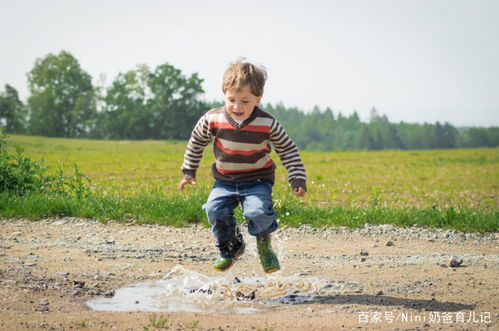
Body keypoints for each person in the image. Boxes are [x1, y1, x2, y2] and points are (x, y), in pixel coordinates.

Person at [178, 59, 307, 273]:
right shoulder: (213, 118)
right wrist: (188, 171)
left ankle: (264, 246)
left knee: (257, 212)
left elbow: (288, 150)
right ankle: (231, 248)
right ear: (224, 93)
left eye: (245, 101)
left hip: (257, 181)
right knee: (214, 209)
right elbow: (196, 142)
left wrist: (297, 177)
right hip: (224, 181)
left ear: (258, 98)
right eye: (232, 99)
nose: (237, 107)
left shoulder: (268, 123)